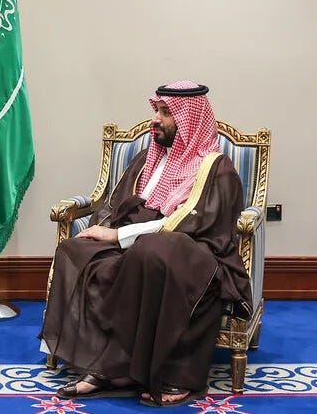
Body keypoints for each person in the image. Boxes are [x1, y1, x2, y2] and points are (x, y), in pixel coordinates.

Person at [39, 81, 252, 407]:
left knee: (152, 251)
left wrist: (119, 236)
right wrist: (108, 230)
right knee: (76, 249)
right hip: (140, 243)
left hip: (194, 251)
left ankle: (172, 374)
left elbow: (195, 223)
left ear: (189, 119)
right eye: (157, 111)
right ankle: (109, 366)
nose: (156, 120)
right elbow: (119, 205)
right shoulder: (147, 158)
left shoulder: (216, 168)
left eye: (166, 113)